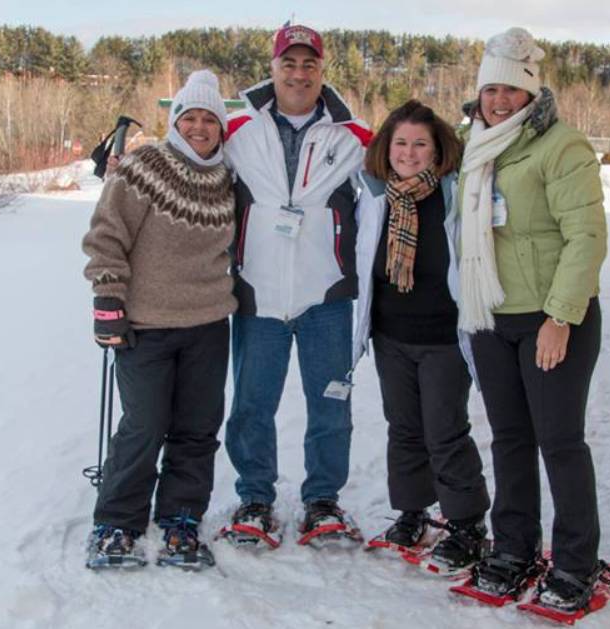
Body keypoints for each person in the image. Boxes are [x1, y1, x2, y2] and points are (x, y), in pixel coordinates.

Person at [454, 27, 610, 614]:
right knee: (510, 440)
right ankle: (514, 546)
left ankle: (575, 563)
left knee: (560, 442)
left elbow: (587, 238)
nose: (499, 100)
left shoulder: (560, 146)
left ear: (531, 92)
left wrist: (560, 316)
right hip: (493, 316)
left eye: (510, 90)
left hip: (551, 318)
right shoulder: (476, 148)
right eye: (489, 89)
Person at [219, 23, 372, 548]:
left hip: (325, 293)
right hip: (257, 291)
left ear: (322, 70)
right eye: (290, 62)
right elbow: (186, 160)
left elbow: (406, 167)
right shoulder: (235, 127)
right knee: (251, 404)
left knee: (330, 403)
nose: (299, 73)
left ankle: (323, 501)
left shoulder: (353, 135)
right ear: (274, 66)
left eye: (310, 64)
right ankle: (255, 499)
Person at [81, 70, 236, 570]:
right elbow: (107, 234)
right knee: (144, 425)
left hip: (209, 324)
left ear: (221, 127)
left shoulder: (229, 175)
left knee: (196, 429)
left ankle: (181, 519)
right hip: (145, 324)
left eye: (208, 119)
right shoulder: (145, 165)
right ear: (175, 122)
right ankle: (117, 522)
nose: (198, 127)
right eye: (188, 117)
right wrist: (108, 301)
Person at [352, 100, 489, 575]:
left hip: (444, 338)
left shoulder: (456, 193)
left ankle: (467, 524)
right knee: (404, 428)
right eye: (401, 143)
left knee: (445, 430)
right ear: (386, 148)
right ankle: (412, 513)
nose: (409, 153)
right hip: (391, 334)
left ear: (437, 150)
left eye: (420, 144)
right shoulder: (373, 194)